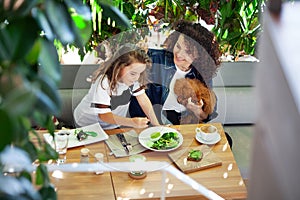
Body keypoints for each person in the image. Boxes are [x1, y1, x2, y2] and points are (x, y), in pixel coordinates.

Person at [129, 20, 233, 147]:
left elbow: (207, 115)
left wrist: (197, 110)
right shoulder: (155, 58)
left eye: (188, 52)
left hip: (183, 125)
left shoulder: (202, 74)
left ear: (199, 56)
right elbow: (129, 65)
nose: (179, 54)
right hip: (151, 122)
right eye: (178, 46)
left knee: (225, 141)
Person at [74, 44, 160, 130]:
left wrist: (156, 125)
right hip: (87, 123)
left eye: (140, 73)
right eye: (133, 73)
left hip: (112, 125)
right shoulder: (104, 82)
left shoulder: (133, 79)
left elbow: (143, 100)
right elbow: (103, 115)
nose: (137, 77)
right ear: (119, 67)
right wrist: (132, 122)